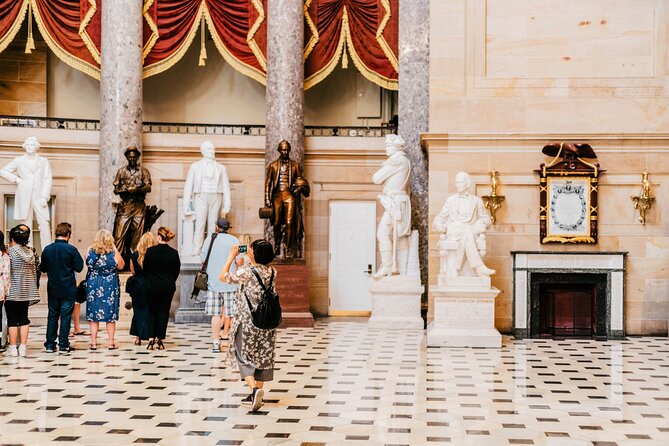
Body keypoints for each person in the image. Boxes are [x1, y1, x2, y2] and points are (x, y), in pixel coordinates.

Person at [220, 239, 277, 412]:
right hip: (267, 321)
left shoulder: (247, 271)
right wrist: (249, 258)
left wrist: (231, 257)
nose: (249, 250)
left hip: (248, 320)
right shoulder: (273, 271)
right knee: (262, 355)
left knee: (242, 354)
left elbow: (223, 276)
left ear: (255, 253)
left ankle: (253, 390)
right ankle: (258, 393)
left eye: (251, 248)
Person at [432, 171, 495, 277]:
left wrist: (482, 223)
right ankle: (479, 267)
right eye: (456, 182)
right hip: (454, 230)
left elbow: (487, 220)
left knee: (468, 234)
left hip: (469, 230)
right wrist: (438, 225)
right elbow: (439, 218)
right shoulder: (451, 200)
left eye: (460, 182)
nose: (457, 185)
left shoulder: (476, 201)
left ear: (467, 184)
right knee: (468, 233)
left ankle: (456, 267)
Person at [0, 136, 52, 249]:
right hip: (24, 194)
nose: (29, 147)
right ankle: (27, 249)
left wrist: (44, 196)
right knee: (25, 224)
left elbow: (47, 178)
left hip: (39, 195)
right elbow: (2, 171)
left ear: (36, 147)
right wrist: (17, 179)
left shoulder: (43, 161)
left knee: (44, 224)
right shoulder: (19, 160)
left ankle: (47, 250)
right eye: (27, 145)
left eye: (32, 145)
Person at [372, 134, 412, 278]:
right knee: (392, 236)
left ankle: (388, 267)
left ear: (395, 147)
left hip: (395, 203)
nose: (386, 148)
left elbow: (376, 179)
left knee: (382, 234)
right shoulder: (404, 160)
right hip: (395, 201)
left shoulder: (396, 160)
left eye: (388, 146)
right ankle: (389, 266)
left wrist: (385, 165)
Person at [40, 222, 84, 354]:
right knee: (65, 316)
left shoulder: (47, 249)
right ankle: (63, 345)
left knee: (53, 315)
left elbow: (43, 268)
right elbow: (79, 267)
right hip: (68, 287)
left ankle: (50, 344)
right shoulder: (71, 250)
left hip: (53, 287)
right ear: (68, 235)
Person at [200, 218, 242, 352]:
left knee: (216, 314)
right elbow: (239, 261)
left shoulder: (210, 239)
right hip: (230, 283)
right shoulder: (234, 241)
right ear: (228, 228)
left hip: (213, 283)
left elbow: (202, 258)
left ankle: (215, 342)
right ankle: (235, 343)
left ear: (217, 227)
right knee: (233, 313)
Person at [183, 140, 232, 256]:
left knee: (213, 225)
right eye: (209, 149)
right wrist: (185, 205)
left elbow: (226, 187)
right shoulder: (195, 167)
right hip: (201, 196)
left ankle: (211, 248)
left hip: (216, 196)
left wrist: (227, 205)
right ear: (203, 151)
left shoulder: (221, 168)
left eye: (213, 149)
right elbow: (188, 186)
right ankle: (197, 248)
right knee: (200, 224)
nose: (212, 151)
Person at [264, 140, 310, 258]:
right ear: (279, 150)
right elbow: (268, 182)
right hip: (277, 196)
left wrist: (298, 189)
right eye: (283, 149)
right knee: (277, 223)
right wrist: (267, 199)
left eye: (287, 150)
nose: (285, 152)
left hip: (289, 196)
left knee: (290, 222)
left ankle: (288, 247)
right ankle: (277, 246)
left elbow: (300, 180)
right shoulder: (273, 165)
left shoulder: (294, 165)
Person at [85, 229, 125, 350]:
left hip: (93, 284)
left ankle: (93, 343)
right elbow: (121, 265)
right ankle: (110, 343)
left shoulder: (90, 250)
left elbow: (88, 265)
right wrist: (114, 248)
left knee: (93, 314)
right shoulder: (113, 252)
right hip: (110, 284)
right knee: (110, 315)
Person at [5, 224, 40, 357]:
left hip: (13, 290)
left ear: (12, 238)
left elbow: (7, 271)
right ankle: (23, 347)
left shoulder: (11, 252)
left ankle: (13, 348)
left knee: (12, 320)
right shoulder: (30, 252)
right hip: (26, 290)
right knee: (24, 319)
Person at [113, 146, 152, 264]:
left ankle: (135, 263)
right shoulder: (121, 171)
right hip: (125, 206)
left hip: (139, 206)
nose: (132, 159)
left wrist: (135, 190)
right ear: (126, 157)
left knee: (137, 236)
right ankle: (117, 263)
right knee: (119, 235)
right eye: (129, 157)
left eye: (134, 157)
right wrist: (123, 190)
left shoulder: (143, 171)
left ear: (137, 157)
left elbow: (148, 187)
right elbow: (116, 189)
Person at [143, 227, 180, 350]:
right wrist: (169, 280)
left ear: (159, 237)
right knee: (163, 312)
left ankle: (150, 338)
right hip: (167, 287)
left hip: (152, 286)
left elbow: (146, 269)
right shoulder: (173, 253)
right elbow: (176, 271)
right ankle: (160, 339)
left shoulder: (150, 251)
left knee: (152, 311)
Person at [129, 232, 157, 346]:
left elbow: (133, 271)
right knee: (150, 311)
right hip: (151, 284)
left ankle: (137, 337)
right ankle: (151, 336)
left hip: (138, 285)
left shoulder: (134, 255)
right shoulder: (154, 256)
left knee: (138, 311)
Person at [0, 231, 9, 353]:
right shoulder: (4, 256)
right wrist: (6, 291)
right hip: (0, 287)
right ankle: (1, 341)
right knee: (1, 316)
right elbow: (6, 275)